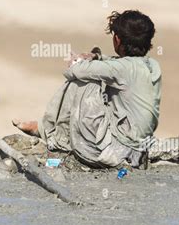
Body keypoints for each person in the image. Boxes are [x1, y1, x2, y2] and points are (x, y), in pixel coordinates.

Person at [13, 10, 162, 169]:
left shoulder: (121, 69)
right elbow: (118, 65)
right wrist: (96, 57)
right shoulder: (152, 65)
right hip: (138, 149)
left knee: (84, 81)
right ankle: (49, 130)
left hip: (113, 153)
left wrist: (77, 60)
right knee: (96, 78)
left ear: (117, 39)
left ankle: (53, 135)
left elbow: (75, 71)